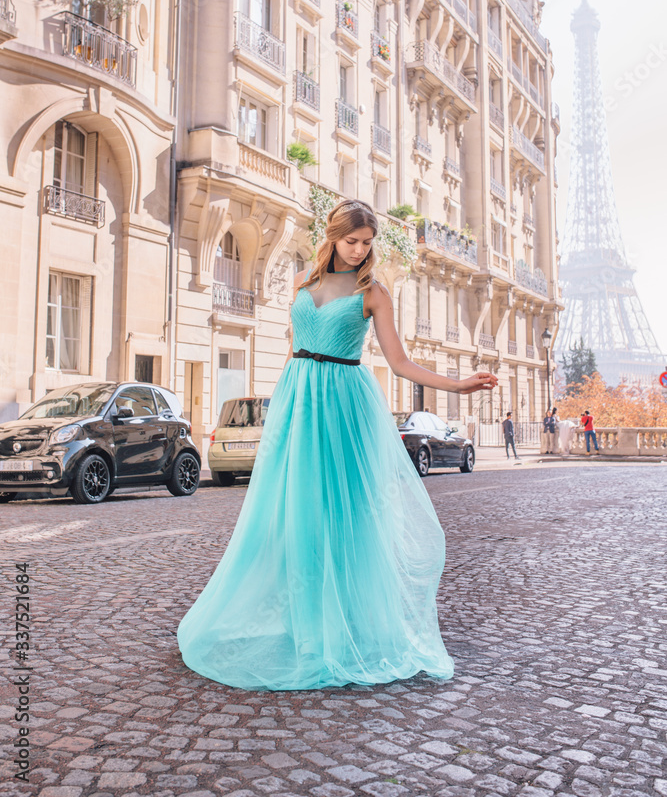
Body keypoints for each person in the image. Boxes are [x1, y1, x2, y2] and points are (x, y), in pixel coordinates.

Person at [177, 199, 498, 691]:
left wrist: (457, 385)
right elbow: (291, 352)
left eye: (367, 243)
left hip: (344, 406)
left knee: (347, 513)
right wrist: (279, 411)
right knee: (297, 516)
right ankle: (308, 628)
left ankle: (347, 628)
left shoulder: (374, 292)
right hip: (299, 402)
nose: (359, 250)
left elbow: (400, 363)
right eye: (352, 241)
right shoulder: (304, 281)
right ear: (332, 237)